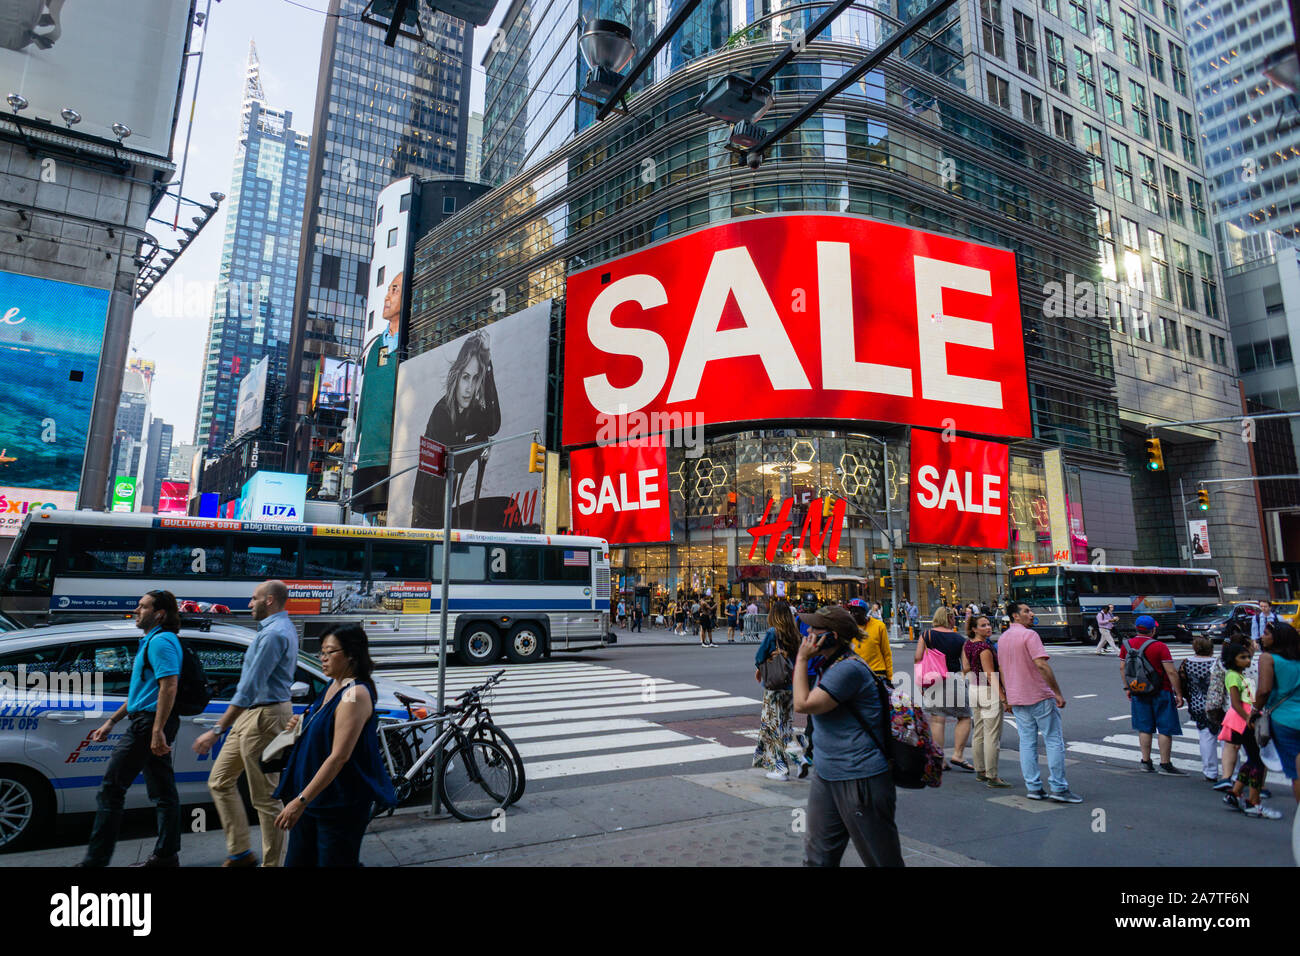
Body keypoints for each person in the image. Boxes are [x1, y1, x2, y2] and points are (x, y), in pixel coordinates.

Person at [193, 579, 298, 867]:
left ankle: (272, 864)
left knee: (265, 799)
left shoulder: (273, 635)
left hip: (265, 717)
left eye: (253, 599)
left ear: (269, 601)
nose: (248, 604)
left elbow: (249, 687)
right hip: (253, 715)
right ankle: (240, 852)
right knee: (219, 781)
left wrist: (216, 730)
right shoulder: (273, 630)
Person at [274, 625, 398, 864]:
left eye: (329, 652)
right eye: (321, 652)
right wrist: (302, 723)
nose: (322, 658)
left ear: (351, 654)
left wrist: (299, 802)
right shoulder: (334, 684)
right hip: (314, 796)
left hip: (337, 804)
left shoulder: (354, 693)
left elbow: (339, 756)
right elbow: (327, 724)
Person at [78, 590, 185, 867]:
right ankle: (166, 856)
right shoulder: (150, 642)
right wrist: (112, 721)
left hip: (149, 724)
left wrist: (157, 729)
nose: (136, 611)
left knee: (112, 788)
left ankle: (95, 861)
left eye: (142, 606)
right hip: (147, 721)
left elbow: (169, 686)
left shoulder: (161, 642)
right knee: (163, 790)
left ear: (159, 613)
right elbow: (140, 694)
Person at [793, 605, 903, 867]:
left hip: (859, 777)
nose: (808, 633)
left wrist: (801, 659)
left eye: (815, 629)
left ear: (832, 636)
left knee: (881, 859)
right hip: (828, 772)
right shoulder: (830, 664)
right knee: (818, 856)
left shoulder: (848, 669)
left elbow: (803, 704)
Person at [411, 330, 500, 528]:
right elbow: (455, 462)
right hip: (426, 508)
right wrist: (480, 445)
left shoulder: (469, 410)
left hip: (444, 503)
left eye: (476, 379)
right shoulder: (442, 412)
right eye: (466, 377)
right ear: (456, 376)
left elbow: (493, 426)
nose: (470, 387)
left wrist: (489, 366)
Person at [998, 601, 1082, 803]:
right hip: (1038, 694)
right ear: (1015, 616)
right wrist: (1057, 692)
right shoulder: (1029, 635)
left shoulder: (1002, 639)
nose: (1031, 613)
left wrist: (1006, 695)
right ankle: (1058, 787)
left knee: (1027, 743)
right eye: (1026, 611)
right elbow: (1041, 665)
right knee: (1053, 740)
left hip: (1017, 696)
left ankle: (1034, 787)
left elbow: (1002, 669)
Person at [352, 271, 404, 510]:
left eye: (395, 289)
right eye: (388, 289)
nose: (387, 296)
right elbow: (363, 407)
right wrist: (355, 453)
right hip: (368, 463)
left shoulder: (412, 342)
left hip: (401, 459)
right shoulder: (374, 348)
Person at [1219, 641, 1281, 819]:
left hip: (1245, 718)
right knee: (1258, 760)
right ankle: (1253, 803)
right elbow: (1236, 702)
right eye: (1243, 657)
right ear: (1233, 659)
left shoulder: (1239, 674)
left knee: (1252, 758)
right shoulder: (1232, 676)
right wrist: (1249, 718)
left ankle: (1235, 792)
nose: (1248, 660)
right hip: (1243, 720)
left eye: (1248, 656)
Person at [1119, 616, 1186, 775]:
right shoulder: (1159, 646)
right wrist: (1179, 693)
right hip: (1161, 689)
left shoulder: (1126, 645)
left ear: (1136, 628)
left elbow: (1123, 668)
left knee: (1144, 727)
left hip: (1138, 689)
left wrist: (1128, 688)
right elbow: (1171, 671)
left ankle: (1146, 761)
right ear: (1153, 630)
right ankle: (1165, 763)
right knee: (1165, 727)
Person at [752, 603, 810, 780]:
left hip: (774, 687)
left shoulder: (772, 633)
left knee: (775, 727)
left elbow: (759, 657)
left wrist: (762, 665)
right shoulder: (795, 634)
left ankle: (788, 764)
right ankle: (792, 762)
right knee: (784, 725)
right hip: (791, 686)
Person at [914, 606, 973, 772]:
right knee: (964, 717)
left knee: (937, 719)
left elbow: (918, 658)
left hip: (932, 680)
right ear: (950, 619)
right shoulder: (960, 639)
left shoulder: (927, 635)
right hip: (954, 678)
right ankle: (958, 754)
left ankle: (940, 759)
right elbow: (966, 666)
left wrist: (921, 682)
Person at [962, 614, 1010, 787]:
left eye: (988, 624)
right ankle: (992, 775)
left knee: (979, 732)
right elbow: (990, 674)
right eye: (983, 625)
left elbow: (966, 668)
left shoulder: (968, 644)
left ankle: (980, 770)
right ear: (974, 629)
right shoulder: (984, 648)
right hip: (988, 691)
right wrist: (1004, 698)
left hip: (974, 688)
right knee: (992, 735)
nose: (988, 627)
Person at [1255, 621, 1300, 806]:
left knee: (1295, 771)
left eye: (1266, 633)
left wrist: (1254, 710)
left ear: (1277, 638)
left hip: (1284, 719)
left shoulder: (1268, 658)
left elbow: (1264, 690)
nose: (1262, 637)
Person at [1179, 636, 1220, 782]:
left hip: (1197, 703)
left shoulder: (1187, 663)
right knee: (1228, 739)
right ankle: (1233, 772)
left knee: (1205, 736)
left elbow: (1182, 682)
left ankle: (1210, 771)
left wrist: (1183, 697)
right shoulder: (1217, 663)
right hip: (1218, 704)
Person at [846, 598, 892, 679]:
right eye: (851, 612)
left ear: (864, 612)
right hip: (856, 673)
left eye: (856, 611)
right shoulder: (849, 628)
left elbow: (886, 653)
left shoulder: (879, 626)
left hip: (877, 672)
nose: (853, 614)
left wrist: (889, 677)